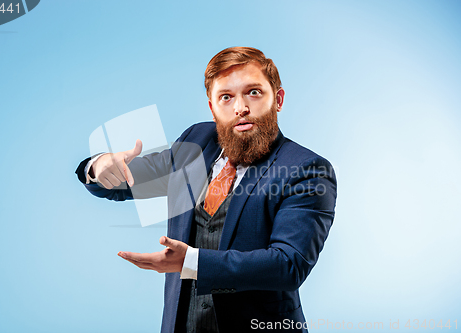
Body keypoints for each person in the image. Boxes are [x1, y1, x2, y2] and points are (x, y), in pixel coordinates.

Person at [75, 47, 337, 333]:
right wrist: (99, 166)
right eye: (226, 97)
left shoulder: (307, 168)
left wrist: (191, 261)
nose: (240, 108)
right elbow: (123, 182)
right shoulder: (196, 142)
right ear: (213, 108)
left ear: (278, 99)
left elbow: (289, 265)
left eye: (254, 92)